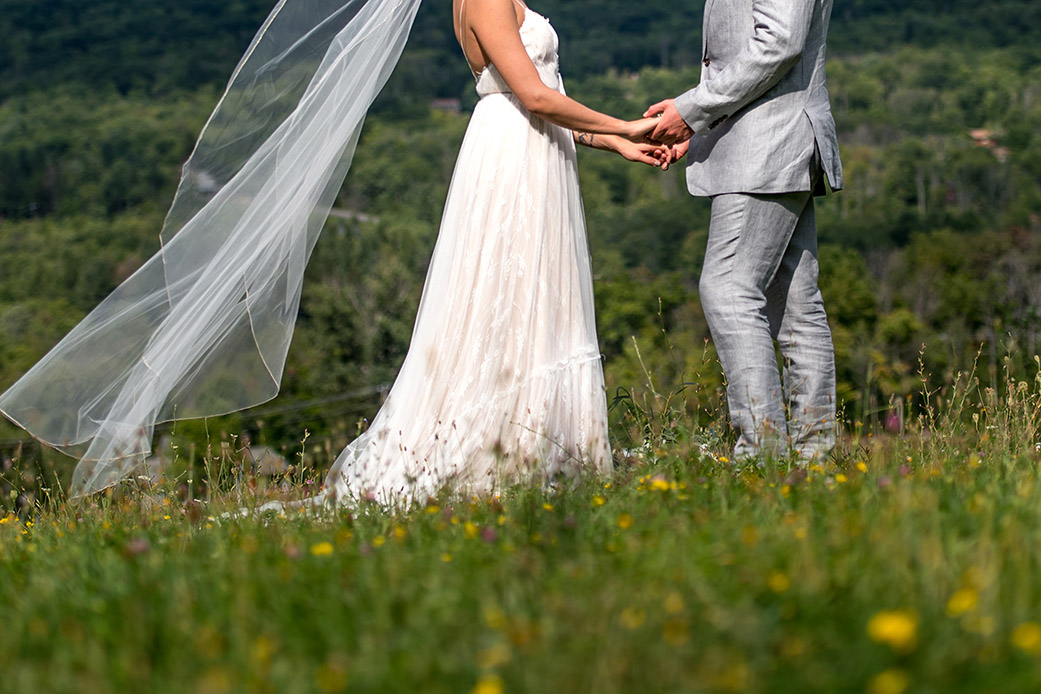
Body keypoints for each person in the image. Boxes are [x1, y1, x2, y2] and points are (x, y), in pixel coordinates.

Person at [0, 0, 667, 503]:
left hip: (532, 146)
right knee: (506, 298)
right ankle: (504, 454)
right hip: (513, 154)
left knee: (532, 301)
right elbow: (531, 95)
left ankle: (542, 452)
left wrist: (615, 144)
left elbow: (537, 102)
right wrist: (626, 122)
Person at [646, 0, 843, 462]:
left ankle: (763, 456)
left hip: (769, 142)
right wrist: (704, 120)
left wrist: (694, 109)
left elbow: (779, 41)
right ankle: (814, 462)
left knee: (729, 290)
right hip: (771, 138)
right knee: (794, 303)